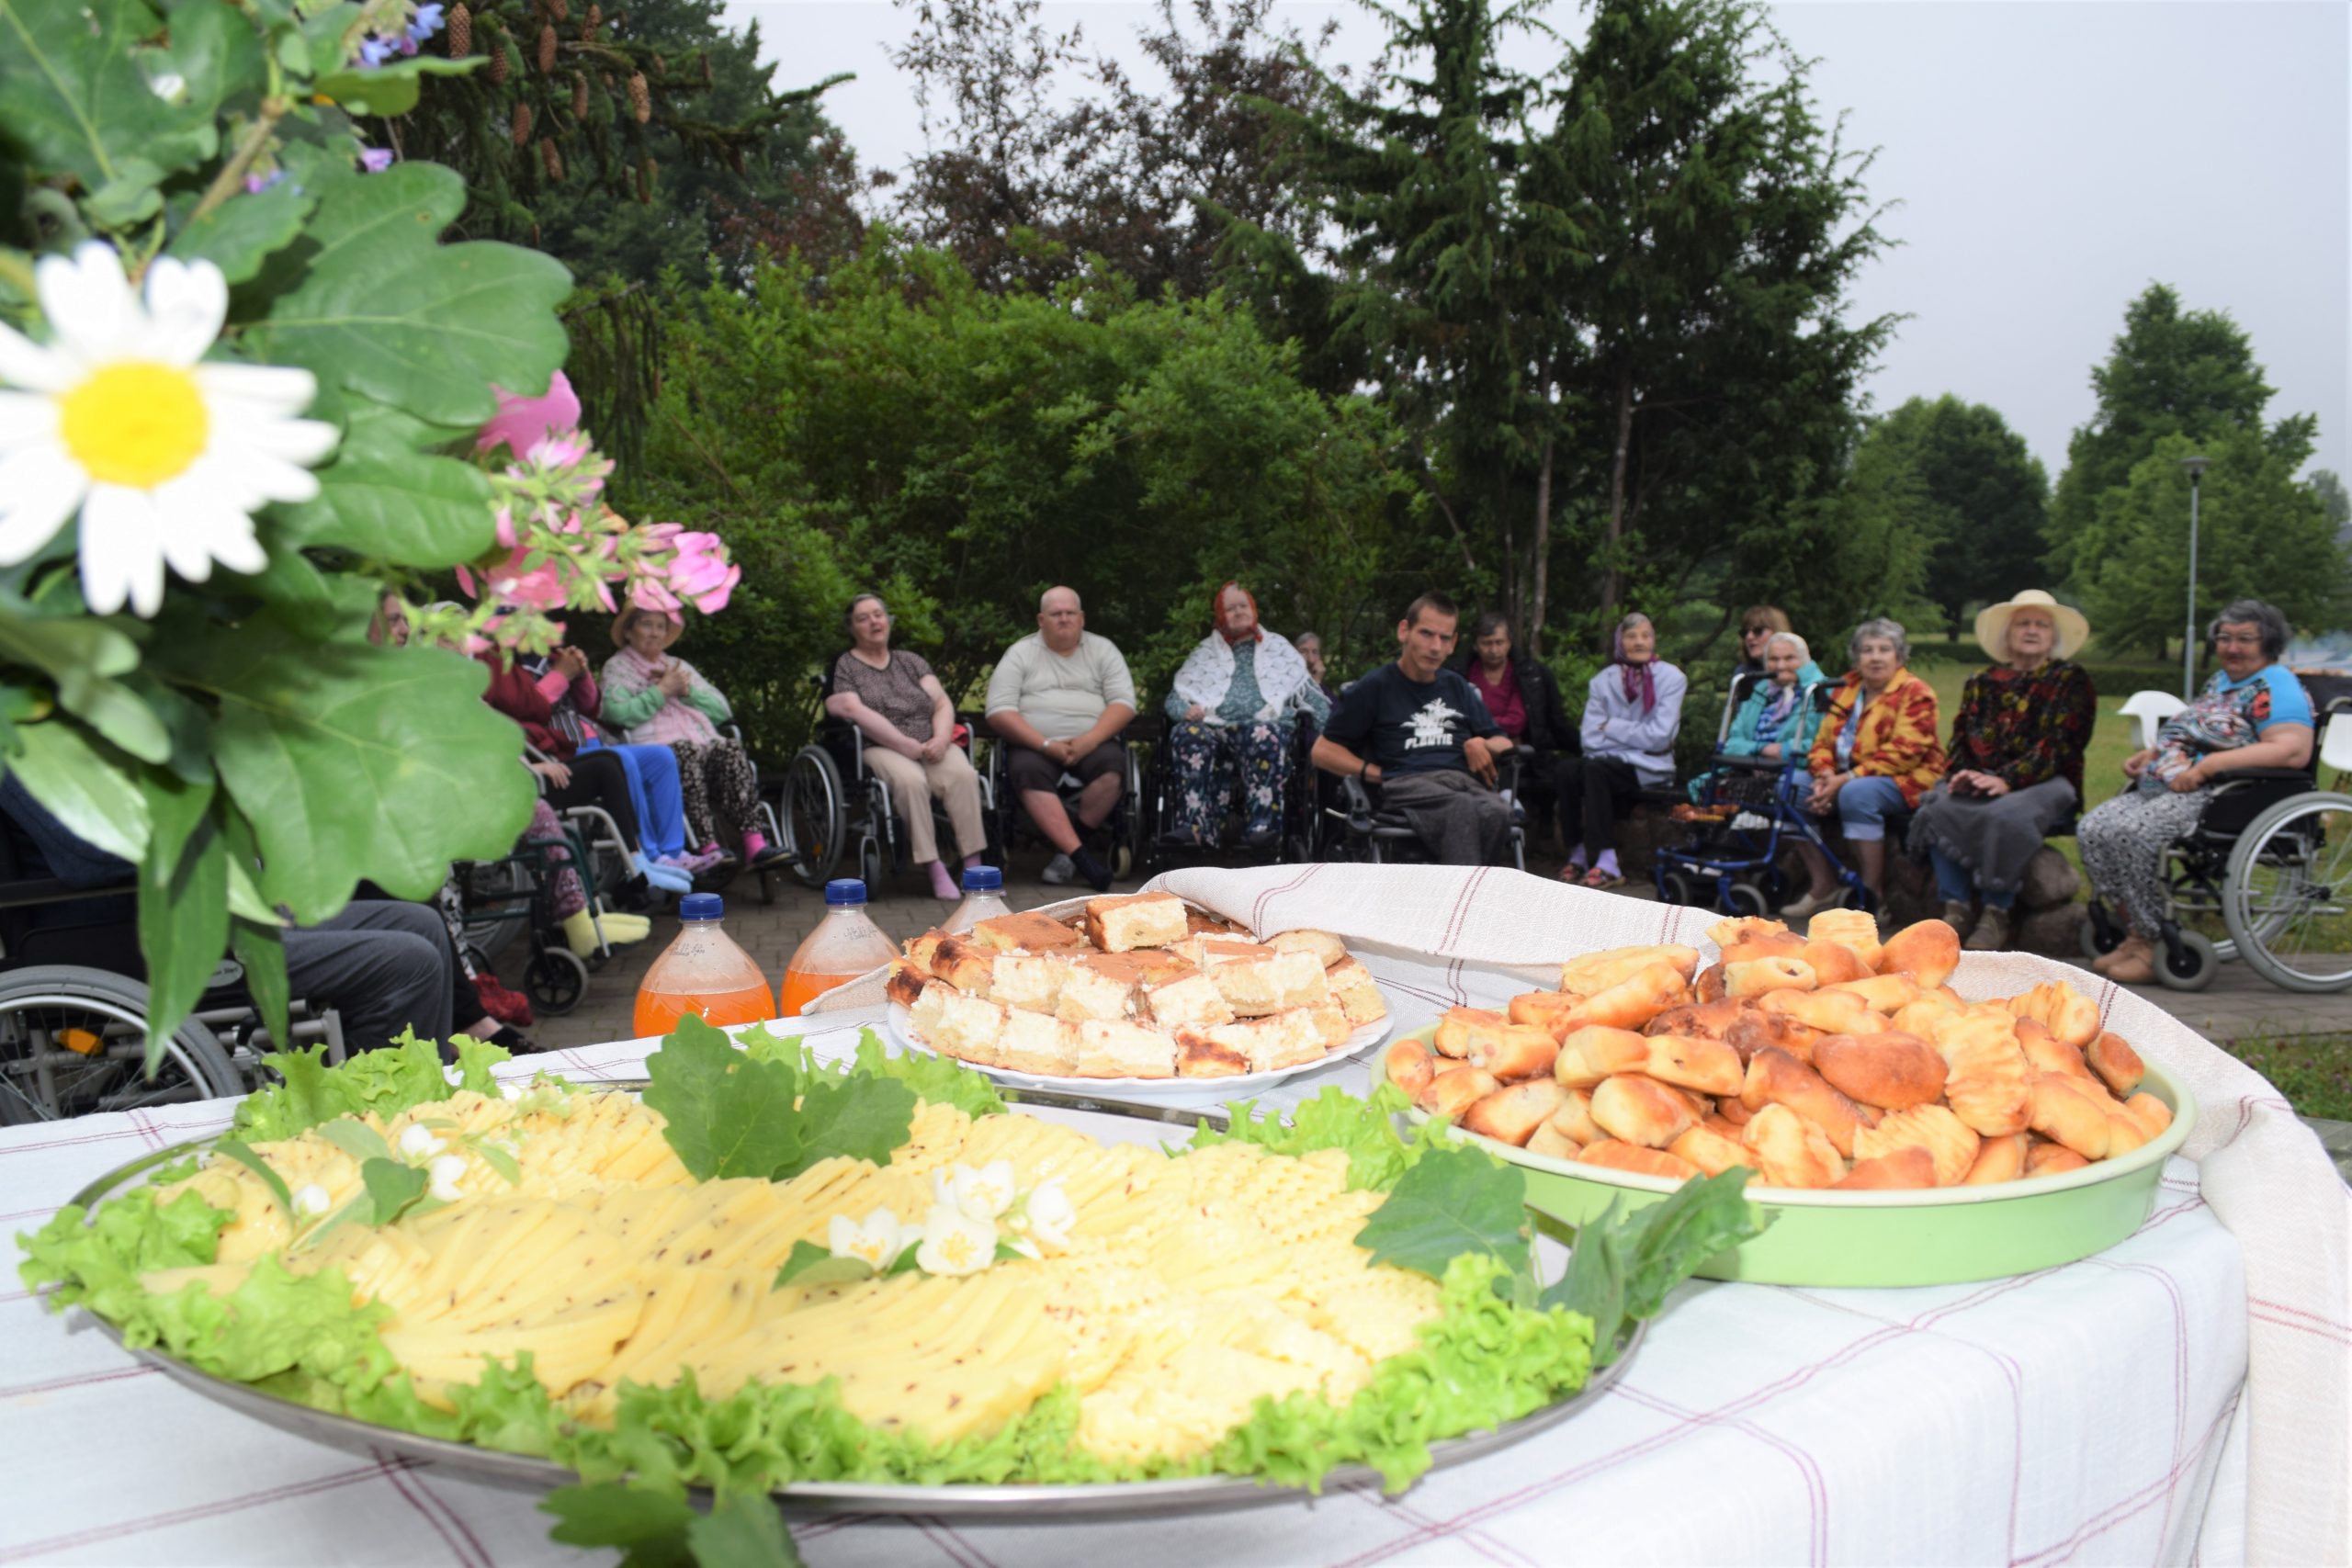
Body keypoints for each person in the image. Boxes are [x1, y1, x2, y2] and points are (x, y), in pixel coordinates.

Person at [2080, 600, 2314, 985]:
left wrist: (2209, 766)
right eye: (2224, 638)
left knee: (2132, 833)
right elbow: (2196, 733)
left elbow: (2292, 750)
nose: (2232, 647)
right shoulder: (2221, 682)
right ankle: (2135, 932)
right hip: (2171, 787)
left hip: (2222, 793)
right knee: (2094, 829)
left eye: (2245, 639)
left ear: (2268, 643)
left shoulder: (2276, 686)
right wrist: (2153, 755)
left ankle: (2153, 940)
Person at [1907, 591, 2098, 952]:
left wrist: (2008, 779)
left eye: (2041, 625)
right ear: (2008, 635)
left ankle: (1997, 911)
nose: (2032, 630)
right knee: (1938, 805)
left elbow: (2062, 745)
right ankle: (1956, 908)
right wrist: (1963, 774)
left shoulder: (2069, 680)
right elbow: (1961, 739)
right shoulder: (1981, 681)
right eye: (2023, 624)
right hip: (1985, 777)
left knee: (2006, 816)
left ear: (2052, 637)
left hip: (2048, 779)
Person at [480, 641, 710, 891]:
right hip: (555, 749)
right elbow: (524, 708)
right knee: (617, 762)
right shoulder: (499, 663)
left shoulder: (552, 656)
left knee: (661, 757)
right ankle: (648, 853)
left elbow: (592, 707)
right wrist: (560, 675)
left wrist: (581, 675)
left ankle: (673, 852)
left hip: (586, 738)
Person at [1312, 592, 1515, 865]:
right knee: (1462, 808)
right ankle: (1461, 891)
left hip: (1461, 782)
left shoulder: (1457, 686)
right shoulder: (1375, 687)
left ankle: (1466, 883)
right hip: (1406, 784)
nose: (1435, 647)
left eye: (1444, 638)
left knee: (1498, 811)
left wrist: (1481, 743)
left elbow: (1505, 744)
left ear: (1453, 644)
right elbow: (1322, 751)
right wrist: (1376, 774)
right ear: (1404, 631)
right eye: (1426, 634)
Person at [826, 592, 990, 901]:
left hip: (931, 742)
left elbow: (941, 702)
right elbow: (852, 709)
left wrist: (941, 739)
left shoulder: (910, 661)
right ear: (852, 628)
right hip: (881, 745)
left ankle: (974, 865)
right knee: (910, 782)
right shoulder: (846, 665)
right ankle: (934, 867)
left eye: (878, 614)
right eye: (863, 618)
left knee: (963, 776)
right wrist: (903, 744)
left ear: (888, 620)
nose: (874, 622)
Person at [601, 607, 787, 871]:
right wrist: (662, 691)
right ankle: (707, 846)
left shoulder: (678, 667)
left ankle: (754, 844)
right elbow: (616, 713)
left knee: (728, 749)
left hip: (700, 745)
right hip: (655, 752)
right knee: (684, 751)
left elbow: (722, 711)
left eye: (660, 626)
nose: (655, 633)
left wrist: (686, 691)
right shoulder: (617, 668)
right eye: (646, 625)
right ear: (629, 632)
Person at [1783, 618, 1945, 919]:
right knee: (1790, 786)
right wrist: (1824, 775)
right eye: (1867, 650)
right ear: (1857, 658)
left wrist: (1844, 780)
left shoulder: (1915, 693)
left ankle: (1871, 895)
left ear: (1899, 656)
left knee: (1857, 794)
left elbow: (1905, 752)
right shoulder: (1846, 689)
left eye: (1884, 649)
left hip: (1908, 778)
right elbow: (1821, 742)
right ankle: (1823, 885)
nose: (1875, 657)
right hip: (1845, 777)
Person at [983, 586, 1136, 892]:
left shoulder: (1103, 650)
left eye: (1070, 613)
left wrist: (1090, 740)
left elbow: (1124, 703)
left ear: (1082, 618)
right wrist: (1045, 744)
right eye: (1056, 614)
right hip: (1035, 744)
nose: (1064, 619)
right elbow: (998, 710)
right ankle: (1083, 860)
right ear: (1041, 620)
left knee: (1113, 768)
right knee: (1026, 770)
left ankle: (1068, 856)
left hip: (1092, 741)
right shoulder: (1021, 653)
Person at [1161, 581, 1330, 851]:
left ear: (1253, 610)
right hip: (1214, 728)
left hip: (1265, 725)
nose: (1238, 612)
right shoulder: (1205, 653)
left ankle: (1261, 829)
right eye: (1230, 609)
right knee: (1186, 733)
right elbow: (1175, 698)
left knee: (1262, 733)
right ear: (1221, 616)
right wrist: (1185, 710)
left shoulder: (1279, 649)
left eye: (1243, 606)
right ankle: (1194, 828)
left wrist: (1332, 738)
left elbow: (1311, 696)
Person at [1560, 613, 1688, 888]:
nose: (1639, 642)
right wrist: (1637, 735)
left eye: (1645, 635)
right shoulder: (1602, 681)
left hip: (1649, 766)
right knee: (1567, 770)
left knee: (1595, 769)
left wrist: (1612, 727)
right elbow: (1589, 739)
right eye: (1631, 636)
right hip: (1608, 761)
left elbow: (1660, 737)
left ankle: (1608, 861)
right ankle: (1578, 853)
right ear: (1620, 641)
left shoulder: (1672, 678)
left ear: (1653, 639)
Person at [1452, 611, 1577, 846]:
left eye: (1499, 642)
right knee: (1480, 748)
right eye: (1487, 643)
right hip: (1469, 749)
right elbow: (1459, 718)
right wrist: (1485, 729)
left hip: (1522, 753)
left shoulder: (1529, 674)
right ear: (1476, 644)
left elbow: (1518, 720)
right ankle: (1505, 803)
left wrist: (1582, 747)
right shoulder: (1458, 674)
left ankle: (1506, 800)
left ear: (1509, 642)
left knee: (1508, 749)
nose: (1494, 649)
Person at [1736, 605, 1793, 676]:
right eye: (1745, 632)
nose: (1749, 637)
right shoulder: (1742, 673)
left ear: (1777, 632)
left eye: (1758, 631)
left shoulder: (1798, 669)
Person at [1293, 631, 1335, 698]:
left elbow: (1333, 704)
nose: (1310, 660)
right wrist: (1315, 684)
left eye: (1315, 652)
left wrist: (1317, 683)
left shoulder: (1323, 687)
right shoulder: (1284, 685)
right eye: (1304, 651)